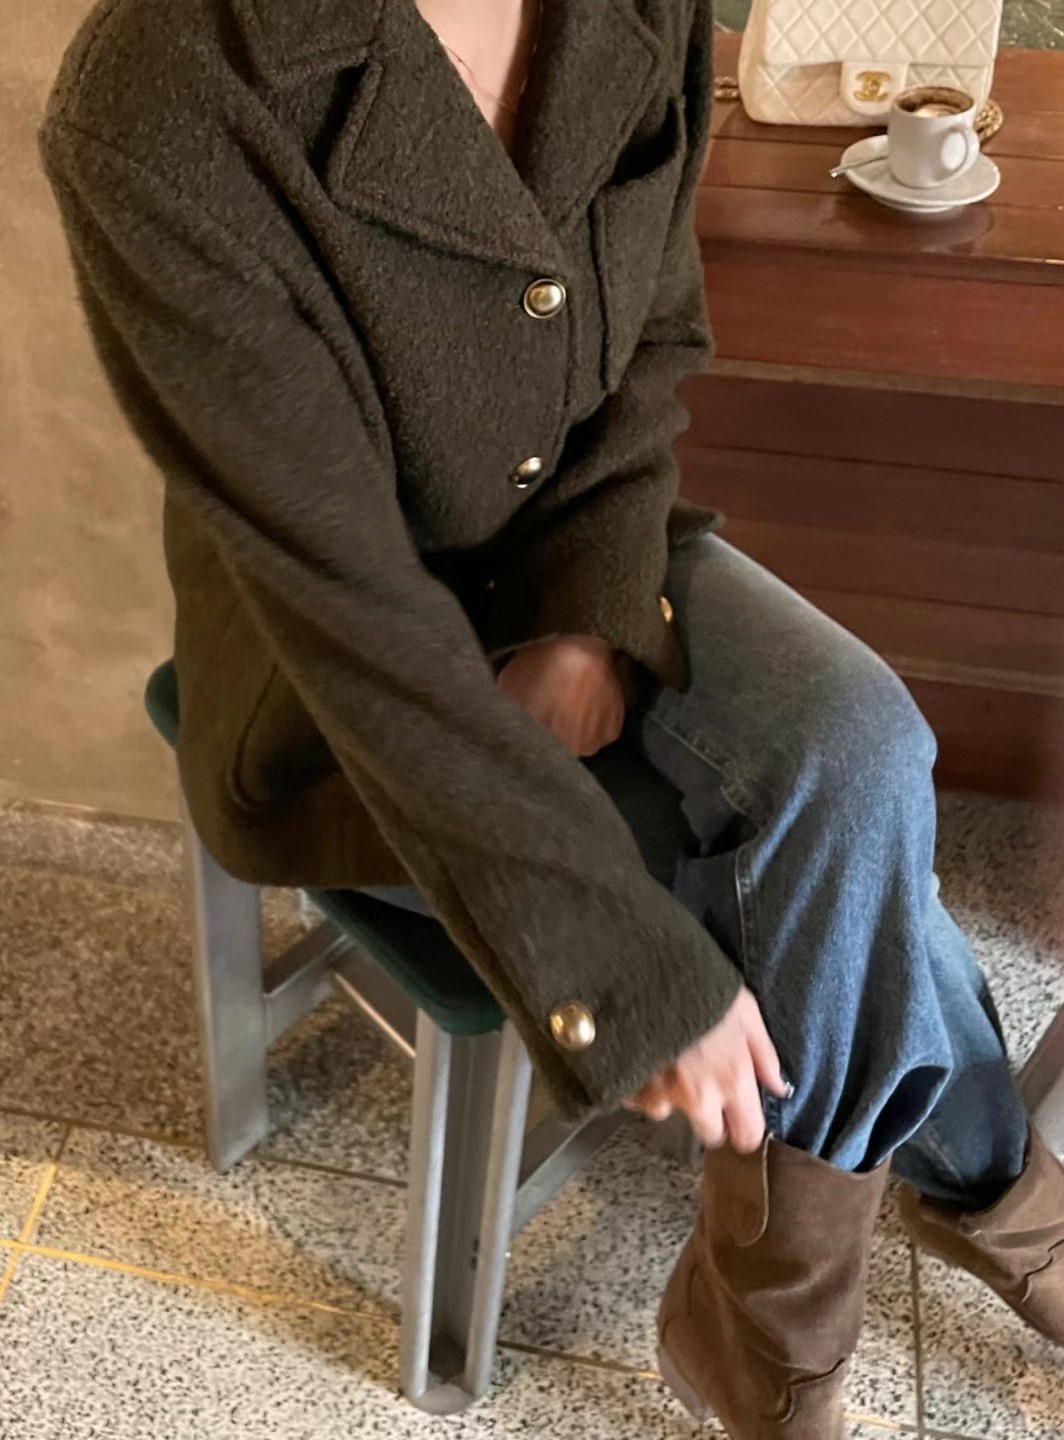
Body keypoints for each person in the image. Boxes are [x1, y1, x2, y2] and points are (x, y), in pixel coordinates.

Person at [40, 0, 1063, 1435]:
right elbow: (336, 598)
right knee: (834, 899)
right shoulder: (161, 96)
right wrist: (612, 964)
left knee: (867, 754)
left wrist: (586, 612)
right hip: (336, 679)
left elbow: (651, 335)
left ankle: (809, 1311)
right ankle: (924, 1266)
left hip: (591, 534)